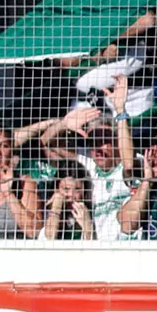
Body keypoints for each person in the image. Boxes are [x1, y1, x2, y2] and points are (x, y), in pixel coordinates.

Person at [39, 77, 137, 240]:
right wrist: (63, 125)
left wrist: (120, 110)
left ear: (116, 140)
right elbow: (46, 144)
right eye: (93, 141)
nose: (98, 147)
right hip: (94, 245)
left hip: (125, 246)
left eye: (104, 141)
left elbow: (129, 165)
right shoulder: (88, 165)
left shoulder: (131, 162)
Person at [40, 164, 96, 239]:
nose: (71, 195)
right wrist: (56, 208)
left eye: (77, 189)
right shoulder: (47, 210)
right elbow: (50, 238)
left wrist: (87, 227)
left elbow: (92, 247)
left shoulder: (93, 213)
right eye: (66, 189)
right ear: (56, 190)